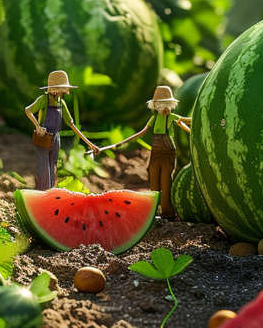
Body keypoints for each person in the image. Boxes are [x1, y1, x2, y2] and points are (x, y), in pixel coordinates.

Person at [94, 83, 191, 218]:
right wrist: (123, 142)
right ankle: (152, 210)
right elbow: (141, 132)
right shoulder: (154, 118)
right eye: (161, 104)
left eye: (167, 104)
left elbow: (185, 122)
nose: (164, 107)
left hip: (168, 150)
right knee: (153, 178)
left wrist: (192, 130)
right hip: (156, 151)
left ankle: (167, 212)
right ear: (155, 106)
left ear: (171, 104)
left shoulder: (173, 117)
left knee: (166, 180)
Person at [25, 69, 97, 190]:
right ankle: (42, 194)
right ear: (54, 89)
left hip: (56, 138)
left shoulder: (61, 103)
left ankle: (52, 192)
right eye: (63, 89)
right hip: (44, 137)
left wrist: (90, 144)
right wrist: (37, 126)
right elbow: (28, 110)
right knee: (44, 169)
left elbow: (72, 125)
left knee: (53, 167)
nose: (65, 92)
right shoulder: (43, 100)